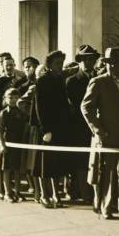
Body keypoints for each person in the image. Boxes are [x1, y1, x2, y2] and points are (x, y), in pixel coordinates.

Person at [81, 47, 119, 219]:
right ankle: (105, 206)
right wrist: (97, 129)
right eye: (108, 63)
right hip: (107, 135)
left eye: (115, 63)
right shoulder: (99, 82)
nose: (111, 67)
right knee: (106, 173)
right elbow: (86, 107)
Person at [35, 50, 72, 208]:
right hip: (47, 128)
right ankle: (44, 195)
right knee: (45, 164)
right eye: (57, 63)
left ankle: (57, 195)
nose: (60, 66)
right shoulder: (42, 81)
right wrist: (45, 130)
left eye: (62, 63)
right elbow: (40, 107)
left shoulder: (60, 80)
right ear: (49, 64)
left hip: (61, 126)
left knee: (57, 164)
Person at [65, 44, 100, 203]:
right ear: (79, 61)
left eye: (91, 59)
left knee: (96, 159)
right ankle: (81, 192)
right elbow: (73, 105)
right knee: (80, 159)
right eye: (85, 59)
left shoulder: (99, 78)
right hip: (78, 126)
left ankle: (94, 192)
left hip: (97, 124)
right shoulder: (72, 81)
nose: (88, 62)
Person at [16, 56, 42, 200]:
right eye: (26, 67)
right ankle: (34, 187)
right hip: (28, 126)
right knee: (29, 159)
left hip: (39, 126)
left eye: (31, 66)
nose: (29, 69)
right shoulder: (22, 86)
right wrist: (32, 115)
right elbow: (19, 102)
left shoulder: (44, 83)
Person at [0, 88, 27, 203]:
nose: (13, 100)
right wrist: (2, 145)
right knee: (7, 169)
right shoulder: (3, 113)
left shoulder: (21, 113)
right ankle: (7, 192)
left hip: (18, 143)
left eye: (15, 98)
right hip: (7, 142)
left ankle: (17, 192)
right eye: (10, 98)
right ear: (5, 99)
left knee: (17, 169)